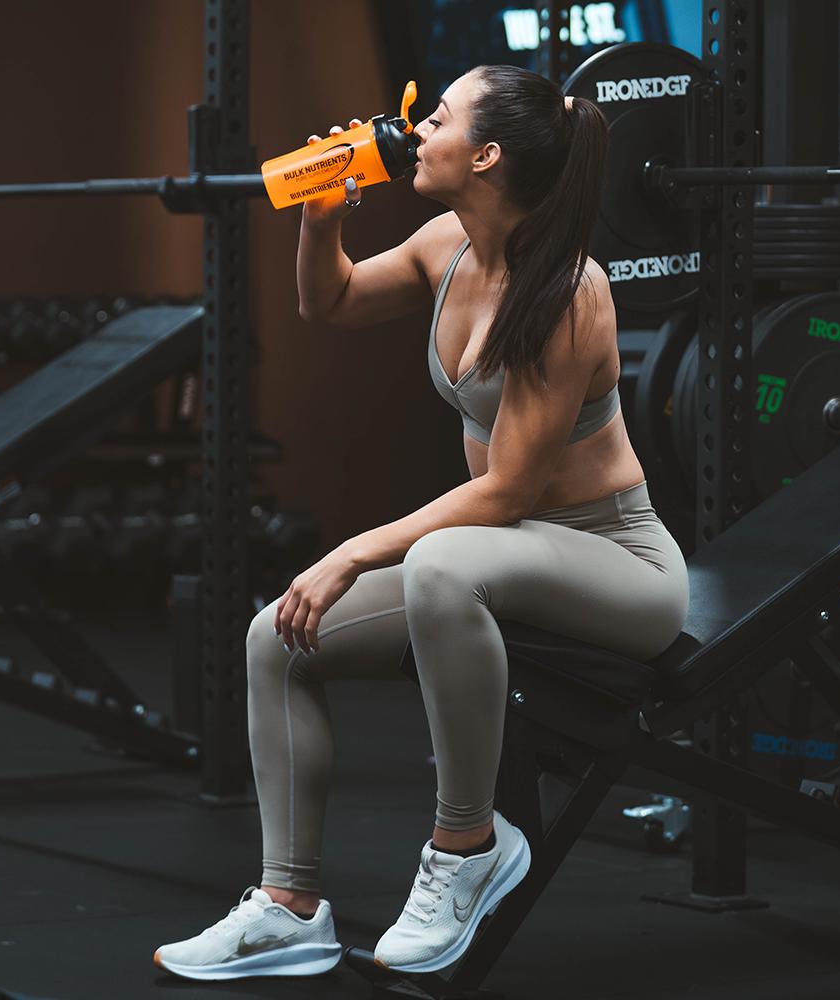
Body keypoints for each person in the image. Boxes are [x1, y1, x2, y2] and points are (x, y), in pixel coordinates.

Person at [153, 63, 690, 982]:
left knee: (444, 564)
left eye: (435, 118)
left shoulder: (566, 291)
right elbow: (331, 301)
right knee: (278, 639)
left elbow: (511, 492)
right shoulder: (448, 243)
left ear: (484, 155)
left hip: (616, 565)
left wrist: (352, 552)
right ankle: (288, 907)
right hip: (502, 559)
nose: (414, 129)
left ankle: (466, 846)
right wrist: (321, 221)